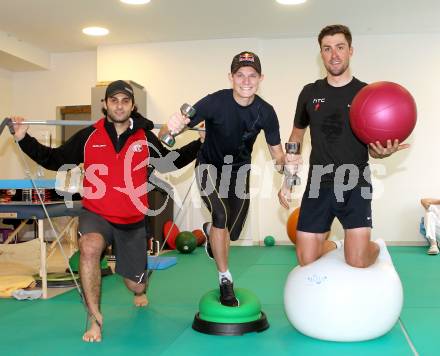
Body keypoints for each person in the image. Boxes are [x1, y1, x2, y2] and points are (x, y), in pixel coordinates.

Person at [11, 80, 203, 342]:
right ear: (105, 105)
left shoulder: (145, 138)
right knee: (89, 247)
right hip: (96, 214)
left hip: (132, 221)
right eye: (114, 100)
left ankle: (137, 287)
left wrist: (201, 143)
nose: (119, 105)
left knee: (136, 284)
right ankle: (94, 317)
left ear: (132, 105)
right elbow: (54, 159)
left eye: (125, 101)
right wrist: (23, 137)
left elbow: (170, 163)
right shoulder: (88, 135)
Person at [279, 25, 409, 268]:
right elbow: (296, 137)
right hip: (319, 181)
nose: (334, 55)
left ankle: (376, 246)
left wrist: (381, 151)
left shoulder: (366, 94)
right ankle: (337, 245)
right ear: (321, 54)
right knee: (306, 258)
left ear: (351, 50)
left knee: (358, 260)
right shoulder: (310, 92)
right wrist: (288, 180)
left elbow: (372, 148)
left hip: (355, 181)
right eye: (327, 49)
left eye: (340, 47)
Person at [165, 51, 285, 307]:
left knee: (233, 232)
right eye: (240, 75)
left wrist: (287, 169)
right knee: (220, 215)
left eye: (252, 75)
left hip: (239, 173)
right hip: (208, 166)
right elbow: (170, 131)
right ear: (231, 77)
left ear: (261, 78)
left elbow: (277, 154)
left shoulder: (266, 112)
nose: (246, 81)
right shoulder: (214, 102)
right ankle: (225, 279)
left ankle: (210, 232)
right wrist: (173, 124)